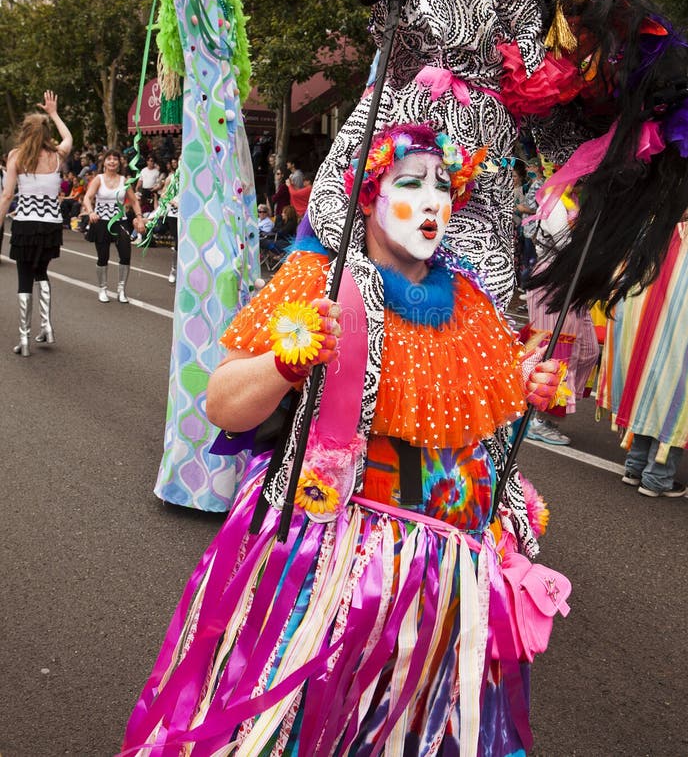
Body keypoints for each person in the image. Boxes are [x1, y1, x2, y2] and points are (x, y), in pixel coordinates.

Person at [122, 122, 568, 754]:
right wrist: (286, 363)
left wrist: (524, 387)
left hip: (449, 581)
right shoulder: (321, 280)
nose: (432, 200)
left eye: (444, 185)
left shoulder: (471, 300)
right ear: (368, 195)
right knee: (309, 727)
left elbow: (482, 421)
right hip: (340, 565)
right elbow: (223, 404)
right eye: (409, 183)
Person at [151, 0, 261, 511]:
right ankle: (204, 470)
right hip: (210, 147)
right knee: (212, 286)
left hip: (222, 140)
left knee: (230, 284)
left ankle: (231, 463)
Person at [597, 115, 688, 497]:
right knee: (682, 371)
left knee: (652, 363)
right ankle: (658, 474)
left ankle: (637, 463)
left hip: (653, 265)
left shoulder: (678, 142)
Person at [523, 187, 599, 446]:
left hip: (572, 281)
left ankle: (551, 405)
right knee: (553, 351)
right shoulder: (554, 200)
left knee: (588, 350)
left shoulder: (575, 199)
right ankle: (535, 417)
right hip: (551, 280)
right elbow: (566, 245)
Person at [0, 90, 72, 356]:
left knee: (24, 278)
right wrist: (54, 113)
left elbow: (7, 195)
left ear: (25, 132)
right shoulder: (57, 156)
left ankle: (24, 339)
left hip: (26, 224)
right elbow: (68, 138)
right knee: (41, 273)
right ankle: (46, 327)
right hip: (51, 224)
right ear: (45, 133)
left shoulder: (16, 156)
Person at [83, 149, 146, 303]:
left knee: (125, 254)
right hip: (101, 222)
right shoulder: (98, 179)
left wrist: (139, 218)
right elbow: (87, 197)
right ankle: (103, 289)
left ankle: (121, 290)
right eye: (109, 159)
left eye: (115, 159)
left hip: (120, 221)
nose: (112, 161)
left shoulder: (124, 181)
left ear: (119, 163)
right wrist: (91, 212)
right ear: (104, 162)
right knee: (103, 257)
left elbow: (134, 201)